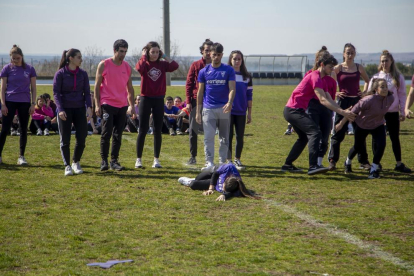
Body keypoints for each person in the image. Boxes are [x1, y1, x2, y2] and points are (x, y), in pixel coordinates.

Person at [282, 52, 356, 175]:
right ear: (322, 64)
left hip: (295, 110)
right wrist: (342, 112)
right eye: (330, 67)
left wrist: (343, 111)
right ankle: (313, 166)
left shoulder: (321, 79)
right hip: (292, 110)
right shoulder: (315, 76)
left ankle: (287, 164)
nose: (332, 69)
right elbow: (322, 100)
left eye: (333, 67)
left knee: (304, 137)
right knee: (315, 132)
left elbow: (329, 99)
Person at [135, 41, 179, 169]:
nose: (154, 54)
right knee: (142, 130)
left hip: (159, 99)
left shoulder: (163, 64)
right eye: (152, 52)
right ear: (147, 52)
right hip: (145, 98)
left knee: (157, 130)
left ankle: (156, 159)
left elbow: (175, 65)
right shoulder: (144, 63)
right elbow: (139, 69)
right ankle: (139, 159)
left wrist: (164, 55)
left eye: (156, 52)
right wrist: (143, 56)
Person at [338, 78, 394, 179]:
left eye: (386, 86)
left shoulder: (390, 98)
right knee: (357, 146)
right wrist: (341, 124)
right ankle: (347, 162)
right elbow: (352, 112)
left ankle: (374, 170)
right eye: (382, 87)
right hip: (362, 125)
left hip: (378, 124)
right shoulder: (368, 100)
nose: (385, 89)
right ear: (376, 89)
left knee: (381, 145)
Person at [94, 39, 136, 171]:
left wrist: (132, 106)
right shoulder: (104, 64)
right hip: (107, 104)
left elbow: (130, 88)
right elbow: (96, 86)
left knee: (118, 134)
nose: (123, 54)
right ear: (115, 50)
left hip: (122, 105)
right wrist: (97, 105)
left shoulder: (127, 67)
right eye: (121, 51)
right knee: (106, 133)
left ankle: (114, 161)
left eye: (125, 51)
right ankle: (103, 161)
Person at [328, 43, 370, 170]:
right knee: (338, 131)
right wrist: (335, 93)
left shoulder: (359, 67)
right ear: (343, 54)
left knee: (360, 132)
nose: (350, 55)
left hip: (357, 103)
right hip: (343, 103)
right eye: (348, 52)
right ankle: (332, 161)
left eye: (352, 52)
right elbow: (328, 84)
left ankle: (363, 161)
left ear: (355, 54)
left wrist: (364, 93)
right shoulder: (338, 68)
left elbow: (368, 81)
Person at [367, 50, 411, 173]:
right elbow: (370, 95)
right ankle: (376, 163)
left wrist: (403, 111)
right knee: (376, 138)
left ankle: (399, 163)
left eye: (386, 60)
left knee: (394, 138)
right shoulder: (376, 77)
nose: (384, 63)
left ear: (391, 61)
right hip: (378, 113)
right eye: (382, 61)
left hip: (392, 113)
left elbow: (402, 95)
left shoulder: (398, 77)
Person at [196, 42, 236, 171]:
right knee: (208, 137)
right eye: (214, 55)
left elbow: (232, 88)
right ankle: (209, 162)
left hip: (224, 109)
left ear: (222, 55)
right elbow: (200, 92)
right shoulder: (204, 71)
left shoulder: (228, 70)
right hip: (208, 109)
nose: (216, 57)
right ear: (209, 54)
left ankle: (222, 162)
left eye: (219, 55)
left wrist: (229, 102)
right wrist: (198, 111)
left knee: (224, 137)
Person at [53, 48, 92, 176]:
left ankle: (76, 162)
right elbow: (56, 93)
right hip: (65, 110)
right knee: (65, 139)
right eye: (79, 57)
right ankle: (67, 165)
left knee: (82, 137)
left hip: (79, 109)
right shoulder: (60, 74)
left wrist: (89, 107)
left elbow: (87, 92)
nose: (81, 59)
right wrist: (60, 110)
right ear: (71, 58)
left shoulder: (83, 74)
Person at [0, 45, 37, 165]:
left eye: (17, 58)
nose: (15, 60)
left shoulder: (30, 69)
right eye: (13, 58)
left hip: (25, 102)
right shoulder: (6, 69)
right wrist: (3, 104)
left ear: (22, 57)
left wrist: (33, 104)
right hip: (10, 101)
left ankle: (21, 156)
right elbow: (2, 88)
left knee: (23, 130)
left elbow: (34, 88)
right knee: (5, 129)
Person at [305, 46, 337, 167]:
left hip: (326, 108)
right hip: (313, 106)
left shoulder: (331, 80)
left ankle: (319, 161)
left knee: (324, 136)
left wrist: (333, 110)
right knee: (315, 134)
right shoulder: (310, 74)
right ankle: (313, 163)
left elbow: (332, 97)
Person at [185, 39, 214, 165]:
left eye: (210, 50)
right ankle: (193, 156)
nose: (208, 53)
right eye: (206, 50)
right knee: (193, 130)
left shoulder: (216, 66)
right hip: (196, 100)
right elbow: (189, 84)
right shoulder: (195, 65)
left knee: (211, 130)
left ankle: (210, 157)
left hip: (212, 101)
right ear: (202, 51)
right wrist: (188, 101)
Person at [177, 162, 260, 201]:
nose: (223, 190)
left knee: (193, 184)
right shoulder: (229, 167)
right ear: (226, 179)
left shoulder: (236, 188)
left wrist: (225, 195)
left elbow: (232, 193)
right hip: (214, 171)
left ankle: (189, 181)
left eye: (224, 190)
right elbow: (215, 174)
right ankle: (197, 177)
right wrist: (211, 188)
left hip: (217, 182)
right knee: (198, 178)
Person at [226, 50, 253, 170]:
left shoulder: (247, 76)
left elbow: (249, 95)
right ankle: (228, 160)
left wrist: (249, 113)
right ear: (230, 60)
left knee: (239, 136)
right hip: (228, 111)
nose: (237, 61)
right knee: (228, 136)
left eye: (239, 59)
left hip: (241, 111)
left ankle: (237, 159)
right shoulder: (226, 74)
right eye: (234, 59)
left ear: (242, 61)